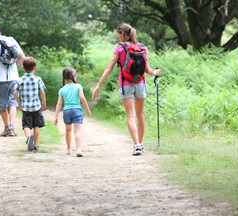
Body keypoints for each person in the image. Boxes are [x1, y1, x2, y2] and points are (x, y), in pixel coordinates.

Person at [91, 23, 161, 156]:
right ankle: (140, 144)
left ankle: (136, 145)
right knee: (140, 115)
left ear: (123, 34)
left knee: (130, 115)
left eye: (119, 34)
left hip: (125, 84)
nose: (118, 36)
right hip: (141, 84)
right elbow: (147, 70)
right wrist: (155, 73)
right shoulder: (142, 48)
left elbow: (109, 67)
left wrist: (98, 84)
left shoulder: (120, 48)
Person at [0, 27, 25, 137]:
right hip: (14, 78)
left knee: (2, 104)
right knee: (13, 102)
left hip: (1, 79)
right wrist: (14, 66)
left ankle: (7, 129)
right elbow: (22, 58)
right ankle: (12, 127)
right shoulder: (12, 40)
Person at [54, 67, 91, 157]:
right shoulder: (78, 86)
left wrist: (55, 116)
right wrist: (88, 109)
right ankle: (78, 149)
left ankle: (68, 149)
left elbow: (59, 103)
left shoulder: (62, 89)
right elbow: (82, 98)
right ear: (73, 76)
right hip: (76, 110)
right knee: (77, 131)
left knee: (68, 130)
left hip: (66, 111)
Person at [14, 57, 46, 152]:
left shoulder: (20, 80)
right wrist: (44, 101)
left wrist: (19, 104)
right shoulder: (37, 79)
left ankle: (29, 138)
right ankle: (35, 145)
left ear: (23, 67)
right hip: (36, 107)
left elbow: (15, 93)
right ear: (35, 67)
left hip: (26, 107)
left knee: (26, 126)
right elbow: (42, 92)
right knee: (36, 126)